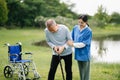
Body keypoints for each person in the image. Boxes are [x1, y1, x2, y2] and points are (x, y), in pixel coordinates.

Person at [67, 15, 92, 80]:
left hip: (85, 55)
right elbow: (70, 37)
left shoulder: (89, 31)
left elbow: (84, 44)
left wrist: (72, 44)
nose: (80, 24)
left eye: (82, 23)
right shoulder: (75, 28)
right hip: (78, 53)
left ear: (86, 22)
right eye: (79, 22)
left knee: (85, 73)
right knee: (81, 72)